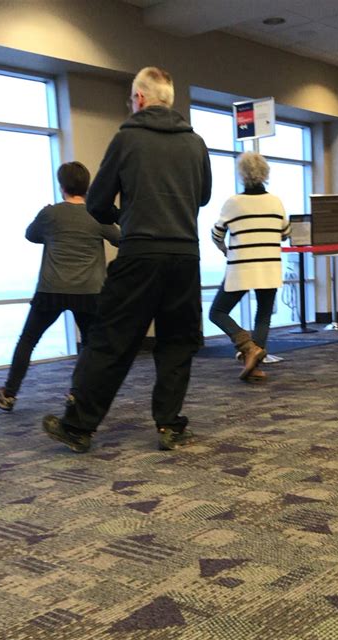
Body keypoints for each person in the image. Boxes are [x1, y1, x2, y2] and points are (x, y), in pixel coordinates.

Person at [42, 66, 212, 453]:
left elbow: (98, 203)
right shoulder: (196, 142)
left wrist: (126, 215)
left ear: (138, 99)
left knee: (110, 339)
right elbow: (201, 197)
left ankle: (78, 426)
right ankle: (170, 426)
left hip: (139, 253)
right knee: (177, 343)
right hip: (185, 255)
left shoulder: (127, 138)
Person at [0, 162, 120, 412]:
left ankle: (9, 393)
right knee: (92, 346)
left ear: (62, 186)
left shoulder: (49, 214)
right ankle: (77, 394)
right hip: (89, 291)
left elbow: (31, 235)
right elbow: (120, 239)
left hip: (52, 290)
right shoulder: (96, 213)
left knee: (28, 340)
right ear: (87, 186)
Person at [209, 151, 291, 382]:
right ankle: (254, 362)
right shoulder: (276, 202)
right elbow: (285, 233)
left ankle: (246, 346)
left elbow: (217, 233)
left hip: (241, 268)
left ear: (242, 175)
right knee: (263, 316)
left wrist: (224, 249)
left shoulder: (233, 203)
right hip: (269, 267)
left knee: (217, 311)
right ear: (265, 174)